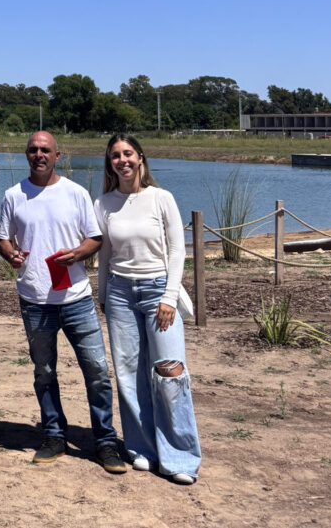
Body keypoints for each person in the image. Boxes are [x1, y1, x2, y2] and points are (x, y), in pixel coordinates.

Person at [0, 131, 126, 474]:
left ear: (58, 155)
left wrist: (77, 254)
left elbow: (95, 237)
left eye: (45, 150)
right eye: (33, 150)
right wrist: (11, 254)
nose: (39, 155)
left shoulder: (75, 193)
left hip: (76, 298)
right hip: (34, 299)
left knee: (97, 371)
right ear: (27, 155)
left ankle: (105, 441)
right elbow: (2, 238)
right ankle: (54, 436)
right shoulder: (13, 195)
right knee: (44, 372)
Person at [94, 133, 201, 484]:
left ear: (140, 157)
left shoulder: (161, 198)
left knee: (170, 371)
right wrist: (104, 295)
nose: (122, 160)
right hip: (120, 293)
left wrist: (169, 297)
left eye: (128, 153)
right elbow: (105, 254)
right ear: (110, 163)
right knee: (128, 372)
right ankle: (142, 447)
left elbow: (177, 250)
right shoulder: (104, 203)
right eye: (115, 156)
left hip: (158, 289)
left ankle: (180, 456)